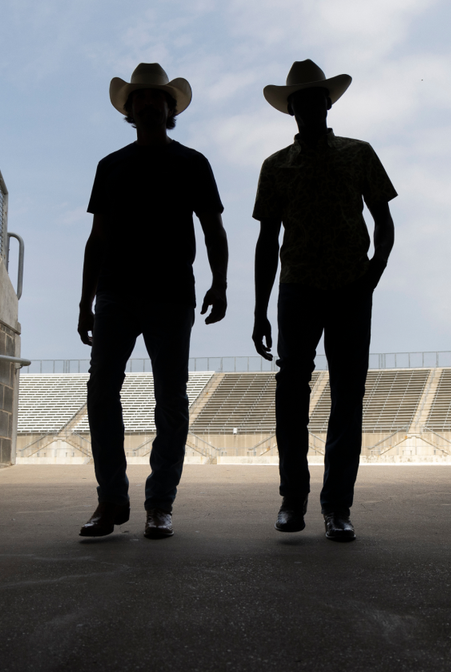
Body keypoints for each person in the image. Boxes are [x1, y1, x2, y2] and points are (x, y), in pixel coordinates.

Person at [77, 63, 228, 539]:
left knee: (171, 400)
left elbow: (213, 228)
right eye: (139, 98)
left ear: (170, 108)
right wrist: (84, 302)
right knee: (101, 392)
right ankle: (111, 500)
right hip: (115, 294)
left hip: (170, 295)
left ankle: (160, 503)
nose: (147, 104)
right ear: (129, 109)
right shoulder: (112, 166)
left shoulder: (192, 163)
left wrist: (220, 283)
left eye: (156, 98)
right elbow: (97, 238)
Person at [251, 60, 396, 542]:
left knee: (347, 394)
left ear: (327, 103)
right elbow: (267, 241)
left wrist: (372, 272)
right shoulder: (275, 166)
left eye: (315, 99)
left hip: (350, 285)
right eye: (300, 101)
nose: (308, 107)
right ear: (291, 109)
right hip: (297, 288)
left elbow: (383, 220)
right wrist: (258, 308)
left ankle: (337, 505)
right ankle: (293, 500)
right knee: (291, 392)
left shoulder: (359, 154)